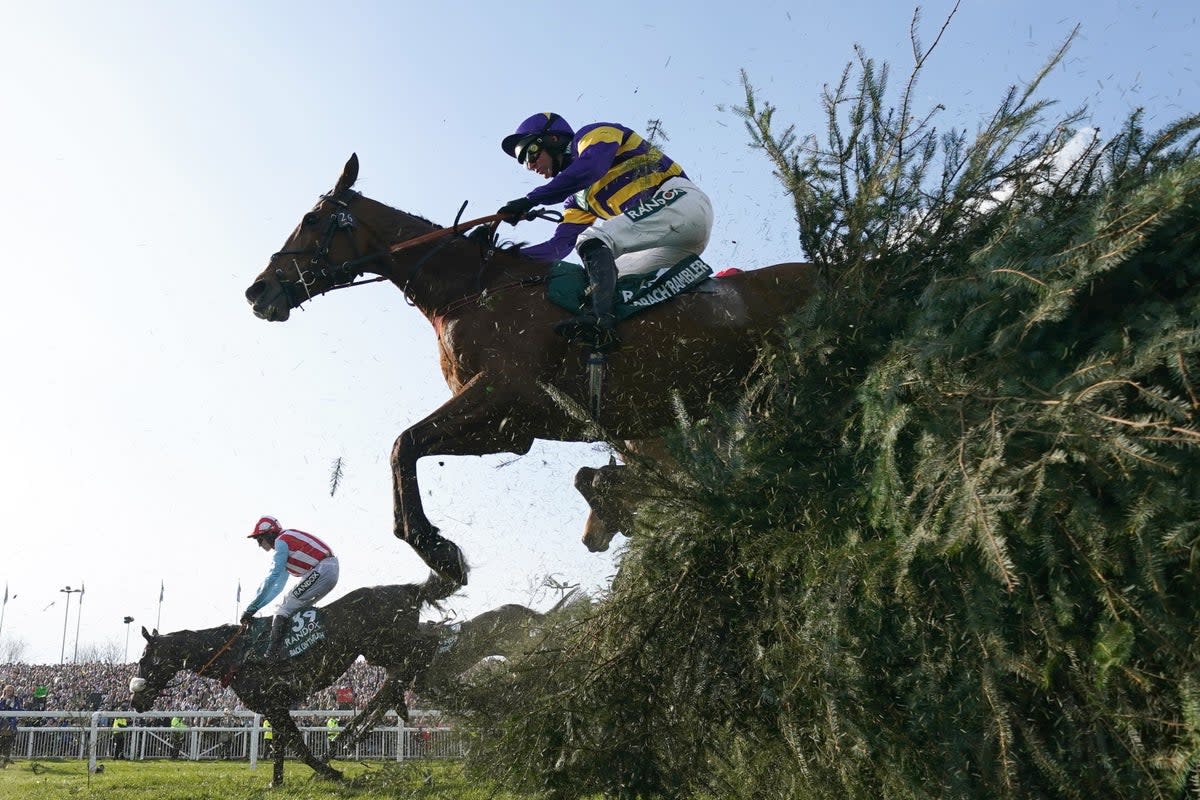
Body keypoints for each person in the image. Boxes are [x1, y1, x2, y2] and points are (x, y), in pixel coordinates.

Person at [498, 112, 713, 351]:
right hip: (669, 243)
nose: (529, 166)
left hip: (681, 201)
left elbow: (590, 168)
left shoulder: (593, 134)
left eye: (528, 153)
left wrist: (531, 199)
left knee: (592, 238)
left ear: (553, 139)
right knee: (602, 286)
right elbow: (558, 247)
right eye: (523, 161)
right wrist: (504, 260)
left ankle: (601, 324)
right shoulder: (577, 200)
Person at [240, 515, 340, 662]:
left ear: (269, 534)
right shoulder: (287, 541)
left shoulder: (281, 542)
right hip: (328, 569)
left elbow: (272, 577)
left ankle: (272, 653)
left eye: (259, 539)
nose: (259, 545)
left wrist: (251, 608)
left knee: (283, 609)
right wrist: (255, 608)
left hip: (323, 569)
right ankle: (303, 646)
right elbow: (277, 586)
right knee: (291, 606)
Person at [0, 684, 21, 767]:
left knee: (7, 746)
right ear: (4, 691)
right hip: (1, 725)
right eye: (7, 690)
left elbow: (18, 709)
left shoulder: (16, 700)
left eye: (10, 690)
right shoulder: (1, 699)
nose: (8, 692)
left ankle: (4, 763)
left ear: (13, 692)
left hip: (11, 726)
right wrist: (3, 701)